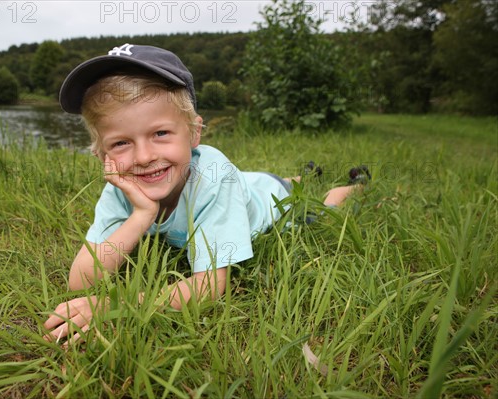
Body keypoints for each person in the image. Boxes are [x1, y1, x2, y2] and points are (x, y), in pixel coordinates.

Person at [43, 44, 368, 343]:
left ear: (194, 133)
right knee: (266, 181)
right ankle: (300, 175)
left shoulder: (215, 180)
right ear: (103, 156)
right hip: (248, 182)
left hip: (269, 201)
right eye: (121, 143)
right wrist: (142, 214)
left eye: (160, 133)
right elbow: (80, 281)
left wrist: (118, 306)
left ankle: (345, 188)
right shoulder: (121, 187)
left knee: (317, 212)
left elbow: (210, 286)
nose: (143, 158)